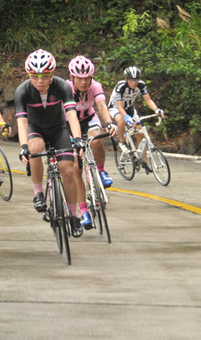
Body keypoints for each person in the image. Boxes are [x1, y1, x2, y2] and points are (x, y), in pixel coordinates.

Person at [14, 49, 90, 236]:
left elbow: (72, 115)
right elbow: (22, 122)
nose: (40, 80)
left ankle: (73, 216)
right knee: (35, 148)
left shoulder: (62, 86)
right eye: (35, 76)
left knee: (68, 170)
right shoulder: (22, 91)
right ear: (29, 75)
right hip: (35, 129)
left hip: (58, 129)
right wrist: (23, 147)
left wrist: (78, 139)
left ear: (52, 74)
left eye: (45, 76)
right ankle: (38, 193)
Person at [67, 55, 117, 198]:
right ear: (72, 76)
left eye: (87, 78)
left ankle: (101, 171)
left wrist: (108, 123)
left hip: (88, 118)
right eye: (79, 78)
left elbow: (101, 105)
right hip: (69, 122)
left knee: (95, 139)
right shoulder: (66, 88)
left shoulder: (95, 86)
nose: (83, 82)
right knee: (75, 161)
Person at [109, 66, 164, 171]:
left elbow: (148, 100)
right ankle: (122, 142)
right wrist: (127, 118)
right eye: (132, 80)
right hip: (116, 108)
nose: (134, 82)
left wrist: (156, 110)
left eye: (136, 79)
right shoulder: (121, 86)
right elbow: (120, 107)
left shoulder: (141, 85)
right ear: (126, 79)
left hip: (129, 108)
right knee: (121, 120)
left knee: (141, 133)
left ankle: (144, 162)